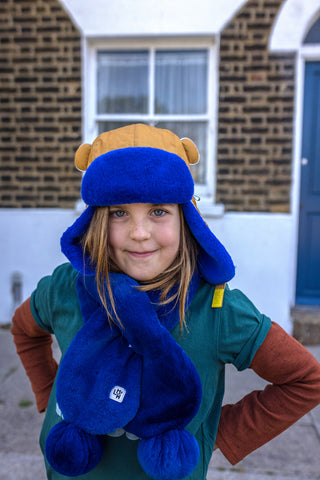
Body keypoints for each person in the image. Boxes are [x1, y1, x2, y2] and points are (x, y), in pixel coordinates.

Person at [11, 124, 320, 480]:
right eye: (118, 212)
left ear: (186, 219)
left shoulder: (217, 310)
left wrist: (212, 434)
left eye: (158, 211)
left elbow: (305, 380)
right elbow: (24, 330)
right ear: (96, 220)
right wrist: (52, 395)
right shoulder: (66, 287)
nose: (139, 233)